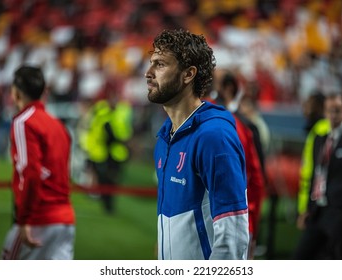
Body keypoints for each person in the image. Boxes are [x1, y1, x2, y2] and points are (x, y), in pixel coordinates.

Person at [145, 29, 249, 260]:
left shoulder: (214, 136)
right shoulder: (165, 137)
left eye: (160, 65)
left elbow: (233, 232)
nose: (148, 73)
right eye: (151, 63)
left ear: (188, 74)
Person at [0, 65, 75, 260]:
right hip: (65, 221)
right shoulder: (59, 126)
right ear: (44, 92)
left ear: (15, 93)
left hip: (37, 219)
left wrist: (24, 219)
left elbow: (31, 172)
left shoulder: (24, 121)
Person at [293, 93, 342, 259]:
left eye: (337, 110)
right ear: (325, 112)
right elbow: (315, 175)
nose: (333, 115)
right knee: (301, 257)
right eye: (330, 110)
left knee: (338, 260)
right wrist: (307, 208)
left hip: (341, 214)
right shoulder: (319, 140)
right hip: (319, 211)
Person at [213, 71, 265, 259]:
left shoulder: (198, 120)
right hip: (237, 220)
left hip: (212, 222)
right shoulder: (244, 126)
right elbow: (258, 181)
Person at [78, 96, 133, 214]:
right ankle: (106, 202)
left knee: (106, 177)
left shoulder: (104, 116)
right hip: (108, 152)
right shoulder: (107, 117)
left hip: (106, 152)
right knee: (107, 177)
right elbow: (113, 135)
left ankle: (105, 200)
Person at [296, 92, 330, 230]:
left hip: (316, 204)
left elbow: (316, 171)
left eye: (308, 103)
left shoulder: (321, 131)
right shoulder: (317, 129)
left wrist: (308, 208)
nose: (304, 107)